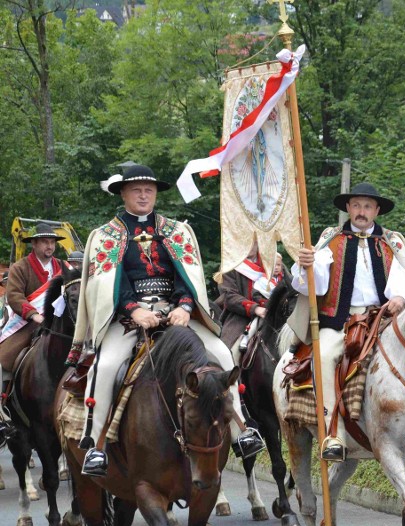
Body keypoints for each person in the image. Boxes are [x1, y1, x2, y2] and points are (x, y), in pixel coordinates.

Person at [66, 164, 264, 477]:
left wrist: (185, 306)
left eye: (149, 189)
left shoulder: (178, 232)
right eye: (136, 190)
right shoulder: (105, 236)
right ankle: (96, 445)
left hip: (177, 314)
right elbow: (108, 283)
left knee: (224, 354)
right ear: (124, 194)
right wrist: (134, 310)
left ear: (156, 193)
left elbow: (190, 277)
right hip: (130, 319)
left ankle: (243, 432)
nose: (143, 195)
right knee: (104, 367)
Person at [290, 182, 405, 461]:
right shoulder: (331, 239)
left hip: (383, 318)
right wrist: (305, 264)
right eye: (356, 205)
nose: (361, 211)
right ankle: (333, 433)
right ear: (348, 208)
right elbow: (314, 286)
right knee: (323, 355)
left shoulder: (392, 241)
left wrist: (401, 298)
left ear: (377, 210)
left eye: (368, 206)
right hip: (340, 319)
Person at [0, 224, 65, 439]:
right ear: (35, 244)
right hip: (28, 324)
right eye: (45, 241)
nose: (50, 245)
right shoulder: (20, 268)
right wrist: (34, 315)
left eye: (52, 241)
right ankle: (3, 409)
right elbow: (15, 296)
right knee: (4, 360)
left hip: (61, 325)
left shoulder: (63, 267)